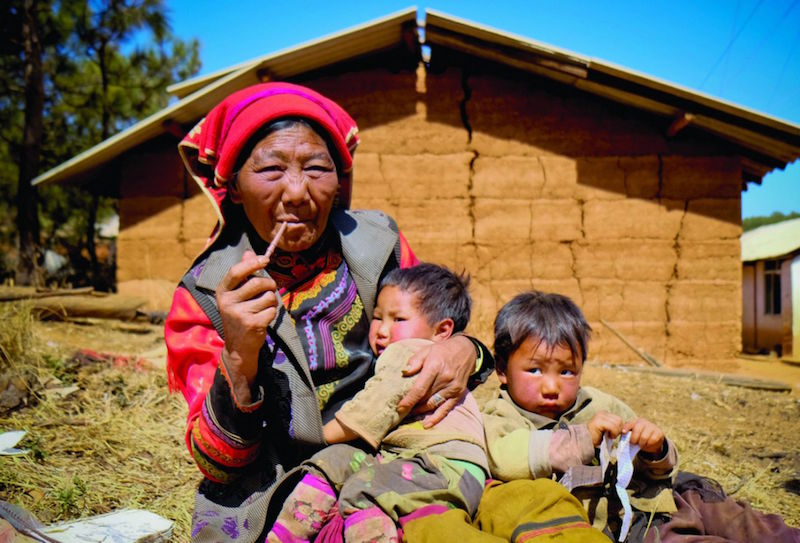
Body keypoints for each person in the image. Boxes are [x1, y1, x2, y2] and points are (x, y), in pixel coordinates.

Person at [164, 82, 493, 543]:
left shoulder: (379, 248)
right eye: (272, 169)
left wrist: (464, 349)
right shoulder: (203, 295)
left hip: (399, 456)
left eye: (317, 168)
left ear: (338, 182)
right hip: (283, 488)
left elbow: (435, 331)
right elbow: (220, 464)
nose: (297, 192)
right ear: (234, 187)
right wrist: (239, 355)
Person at [267, 263, 488, 543]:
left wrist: (315, 436)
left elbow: (372, 412)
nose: (383, 330)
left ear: (442, 330)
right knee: (334, 461)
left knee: (362, 489)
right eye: (378, 317)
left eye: (398, 319)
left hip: (445, 469)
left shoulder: (411, 354)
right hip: (410, 462)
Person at [482, 290, 678, 540]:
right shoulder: (498, 415)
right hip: (554, 530)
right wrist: (580, 440)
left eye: (566, 372)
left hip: (627, 522)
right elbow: (504, 459)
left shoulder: (601, 406)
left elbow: (647, 468)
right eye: (534, 370)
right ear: (502, 370)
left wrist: (655, 450)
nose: (551, 387)